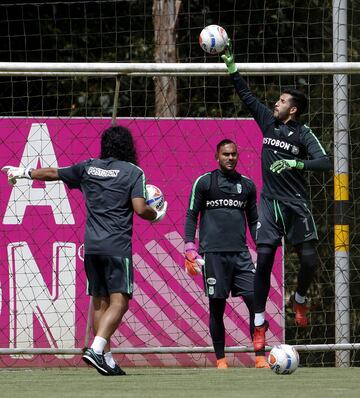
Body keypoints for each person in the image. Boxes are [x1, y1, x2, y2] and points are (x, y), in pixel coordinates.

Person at [2, 125, 167, 376]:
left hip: (91, 246)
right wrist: (155, 215)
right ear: (128, 147)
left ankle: (107, 359)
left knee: (99, 300)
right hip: (116, 246)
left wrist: (24, 172)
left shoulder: (88, 167)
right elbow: (140, 208)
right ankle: (97, 348)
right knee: (120, 301)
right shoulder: (134, 172)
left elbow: (53, 173)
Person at [221, 41, 331, 352]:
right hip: (270, 205)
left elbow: (326, 162)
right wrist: (231, 65)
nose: (276, 103)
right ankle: (258, 323)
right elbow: (246, 95)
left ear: (292, 109)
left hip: (296, 204)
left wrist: (297, 162)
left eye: (282, 101)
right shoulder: (267, 122)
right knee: (265, 261)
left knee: (309, 261)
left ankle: (298, 299)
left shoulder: (303, 134)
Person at [184, 139, 269, 369]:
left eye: (233, 154)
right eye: (225, 154)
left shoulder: (247, 185)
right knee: (217, 307)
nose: (230, 158)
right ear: (217, 156)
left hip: (241, 255)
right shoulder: (204, 182)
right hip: (213, 255)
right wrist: (189, 246)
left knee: (255, 302)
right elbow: (192, 215)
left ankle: (260, 356)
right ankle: (221, 359)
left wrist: (262, 245)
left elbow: (253, 220)